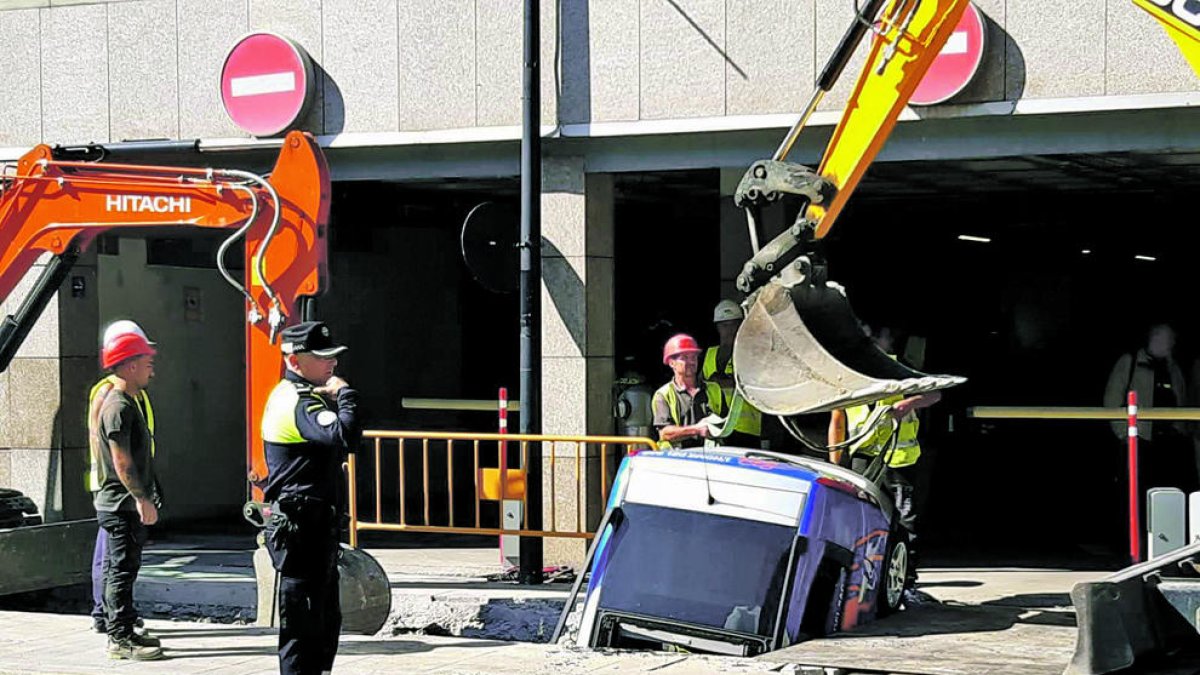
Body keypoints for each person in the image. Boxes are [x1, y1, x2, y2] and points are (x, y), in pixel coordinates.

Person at [262, 321, 361, 675]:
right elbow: (346, 435)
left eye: (332, 355)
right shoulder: (297, 401)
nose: (332, 363)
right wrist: (346, 394)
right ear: (294, 361)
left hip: (315, 530)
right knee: (303, 631)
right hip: (301, 532)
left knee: (323, 624)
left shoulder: (306, 396)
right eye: (321, 357)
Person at [828, 325, 940, 597]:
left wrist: (908, 404)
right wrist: (835, 465)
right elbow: (837, 420)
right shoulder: (848, 373)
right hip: (863, 461)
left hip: (898, 461)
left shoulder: (899, 370)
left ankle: (905, 584)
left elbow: (935, 393)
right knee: (862, 521)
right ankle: (861, 582)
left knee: (902, 524)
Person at [93, 329, 163, 661]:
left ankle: (122, 628)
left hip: (121, 502)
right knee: (121, 569)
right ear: (130, 365)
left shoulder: (127, 402)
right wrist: (141, 497)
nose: (152, 369)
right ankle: (120, 639)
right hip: (120, 504)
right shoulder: (118, 406)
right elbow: (122, 461)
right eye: (147, 363)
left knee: (122, 568)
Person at [1104, 323, 1191, 527]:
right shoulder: (1131, 361)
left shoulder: (1172, 366)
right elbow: (1112, 399)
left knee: (1167, 493)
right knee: (1135, 493)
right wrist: (1124, 434)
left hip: (1168, 441)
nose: (1173, 343)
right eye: (1169, 339)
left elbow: (1182, 399)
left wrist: (1181, 430)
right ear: (1156, 338)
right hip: (1140, 439)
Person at [702, 300, 762, 448]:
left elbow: (754, 384)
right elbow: (700, 385)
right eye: (724, 325)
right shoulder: (709, 354)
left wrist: (721, 382)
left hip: (746, 428)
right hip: (716, 426)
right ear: (717, 327)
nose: (729, 330)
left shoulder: (749, 354)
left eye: (733, 325)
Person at [652, 333, 726, 449]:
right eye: (685, 358)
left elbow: (725, 425)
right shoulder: (663, 395)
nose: (691, 362)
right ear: (672, 363)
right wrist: (697, 429)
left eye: (693, 357)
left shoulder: (714, 389)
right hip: (677, 460)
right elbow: (664, 433)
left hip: (710, 458)